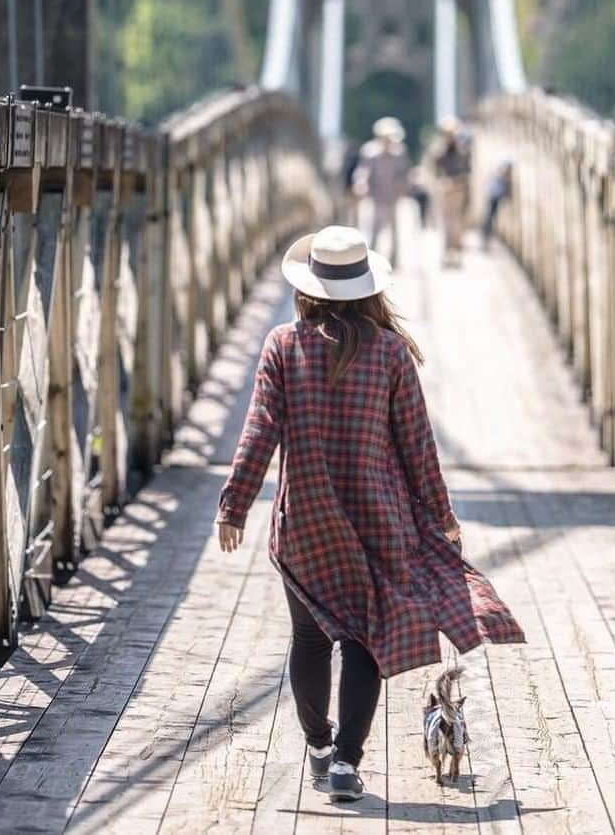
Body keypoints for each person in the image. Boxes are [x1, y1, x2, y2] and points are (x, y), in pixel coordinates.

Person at [215, 226, 524, 802]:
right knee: (362, 641)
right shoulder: (389, 352)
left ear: (309, 289)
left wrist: (234, 506)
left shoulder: (284, 345)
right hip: (378, 521)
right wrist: (441, 514)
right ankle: (346, 766)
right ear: (367, 289)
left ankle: (319, 747)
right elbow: (417, 445)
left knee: (308, 638)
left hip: (304, 522)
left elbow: (259, 432)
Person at [353, 116, 409, 267]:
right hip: (375, 197)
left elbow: (403, 173)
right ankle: (370, 260)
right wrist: (361, 183)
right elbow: (363, 171)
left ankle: (394, 261)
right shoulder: (370, 151)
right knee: (373, 230)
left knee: (394, 231)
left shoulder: (399, 152)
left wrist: (403, 186)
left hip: (393, 197)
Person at [428, 117, 472, 266]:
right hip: (445, 191)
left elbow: (467, 171)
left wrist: (456, 182)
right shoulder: (439, 150)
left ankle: (456, 252)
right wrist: (441, 182)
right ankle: (448, 253)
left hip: (458, 190)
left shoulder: (462, 150)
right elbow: (434, 170)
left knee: (457, 224)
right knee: (446, 224)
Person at [481, 158, 513, 247]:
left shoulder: (499, 173)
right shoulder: (501, 173)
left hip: (495, 196)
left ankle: (486, 236)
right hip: (494, 196)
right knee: (489, 217)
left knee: (490, 216)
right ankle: (485, 236)